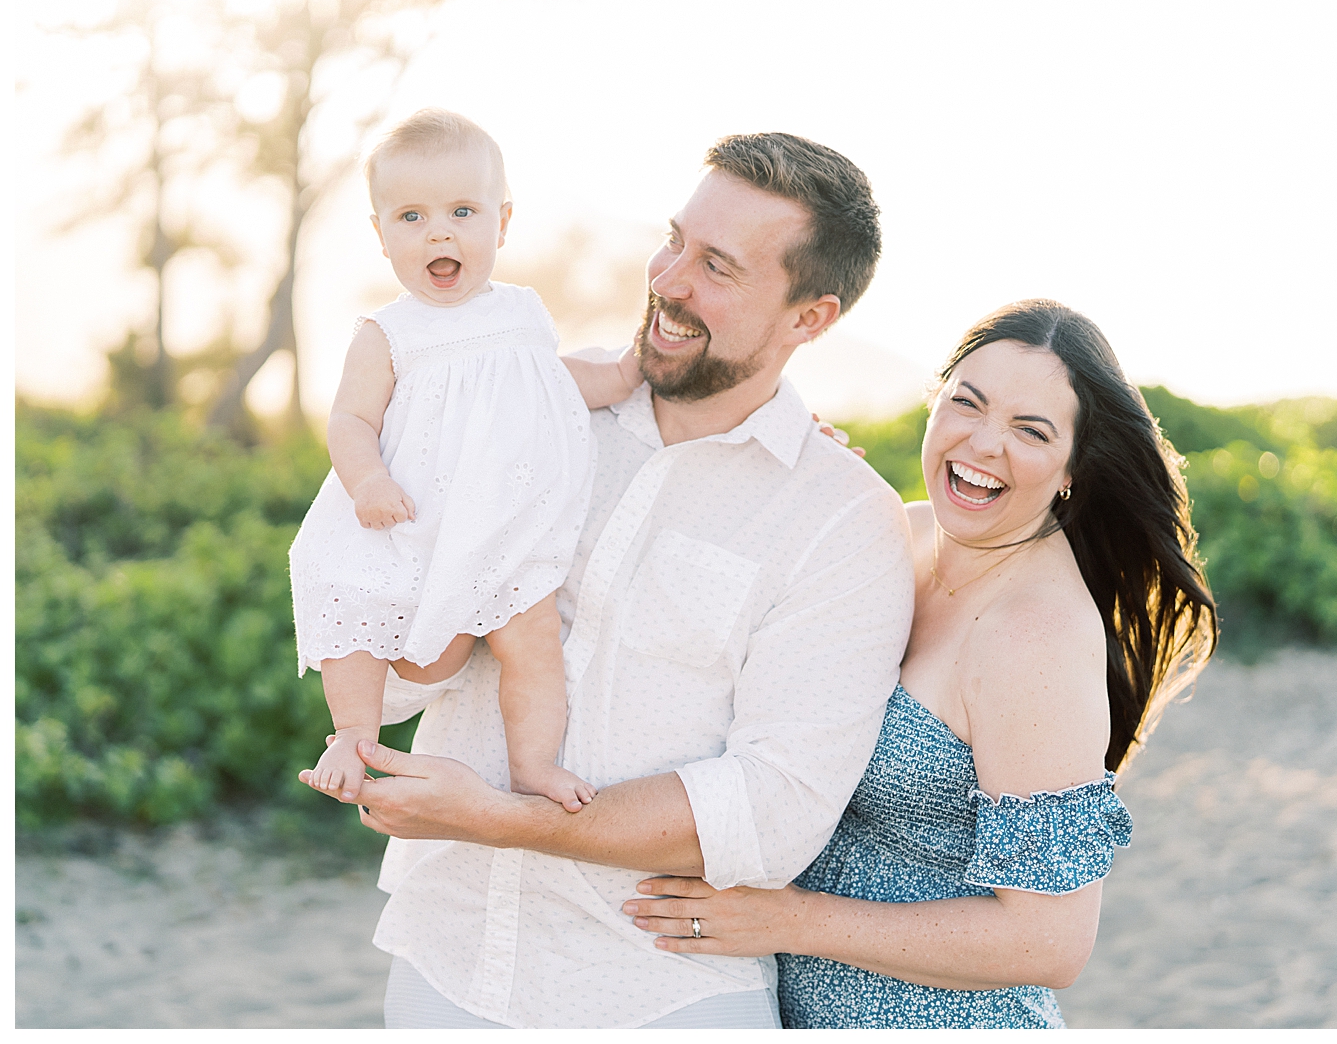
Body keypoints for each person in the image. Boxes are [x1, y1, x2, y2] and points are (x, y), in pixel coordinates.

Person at [298, 132, 917, 1029]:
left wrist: (510, 818)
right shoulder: (525, 394)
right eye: (674, 240)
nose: (669, 279)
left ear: (809, 319)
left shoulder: (840, 517)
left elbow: (774, 810)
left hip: (662, 991)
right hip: (448, 960)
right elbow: (389, 639)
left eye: (717, 266)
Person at [621, 299, 1219, 1028]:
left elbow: (1051, 940)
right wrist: (790, 473)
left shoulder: (1035, 634)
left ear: (1072, 470)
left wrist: (789, 920)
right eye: (966, 403)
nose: (984, 442)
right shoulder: (886, 534)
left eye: (1031, 430)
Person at [290, 109, 642, 813]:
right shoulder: (387, 331)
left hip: (500, 529)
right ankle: (351, 737)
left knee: (533, 642)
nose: (440, 232)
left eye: (462, 211)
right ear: (382, 234)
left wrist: (629, 374)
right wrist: (368, 480)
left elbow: (555, 379)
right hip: (406, 523)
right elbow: (351, 418)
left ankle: (534, 761)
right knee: (353, 607)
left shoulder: (521, 311)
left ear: (502, 223)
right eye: (413, 216)